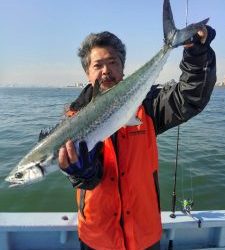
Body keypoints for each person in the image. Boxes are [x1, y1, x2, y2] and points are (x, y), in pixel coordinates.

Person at [58, 26, 216, 250]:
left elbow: (190, 98)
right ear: (87, 73)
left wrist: (197, 55)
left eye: (113, 62)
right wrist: (82, 173)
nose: (106, 71)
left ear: (122, 68)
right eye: (98, 65)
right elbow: (88, 181)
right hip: (98, 238)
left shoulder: (147, 106)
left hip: (145, 235)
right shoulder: (74, 121)